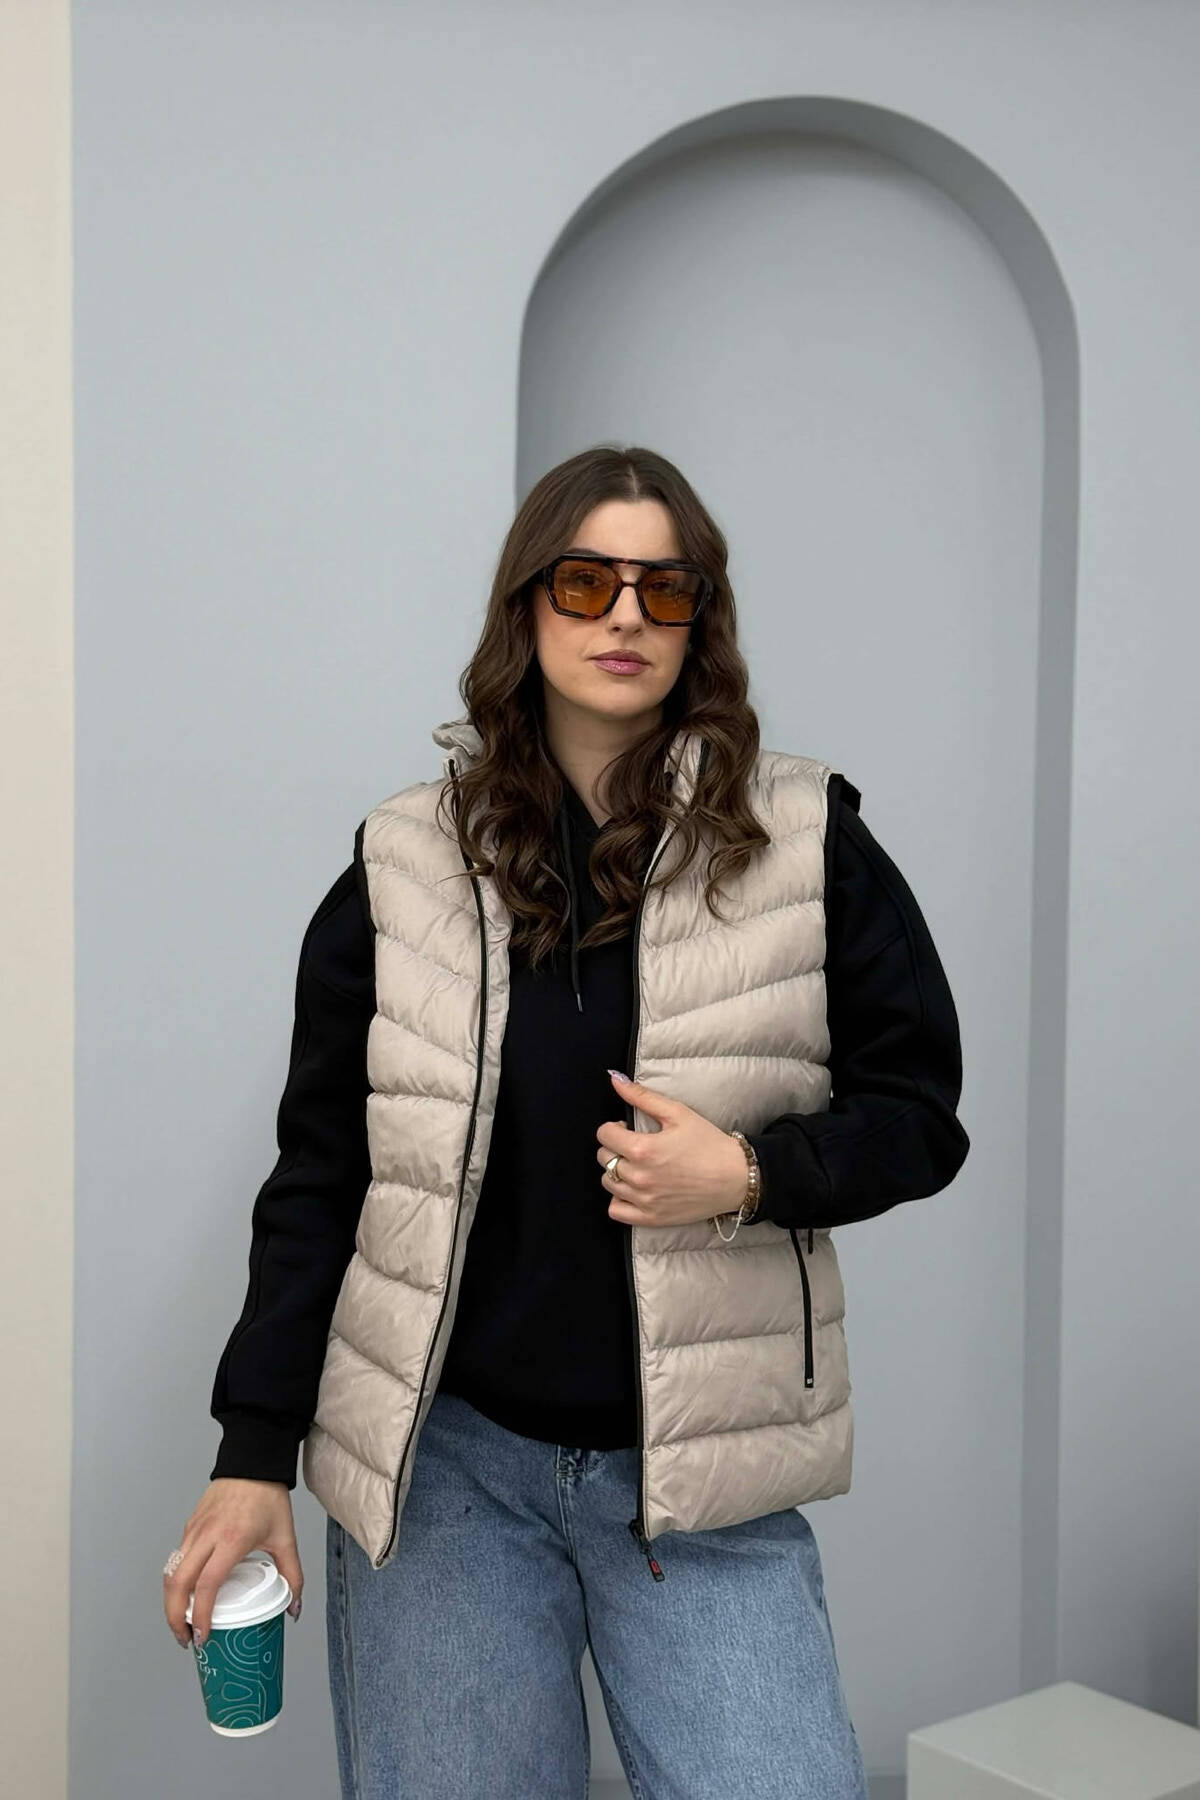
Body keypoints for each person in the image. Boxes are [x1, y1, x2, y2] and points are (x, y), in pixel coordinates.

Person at [163, 444, 969, 1797]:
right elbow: (321, 1177)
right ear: (527, 607)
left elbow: (921, 1115)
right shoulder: (402, 862)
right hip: (449, 1477)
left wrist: (751, 1173)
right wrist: (252, 1452)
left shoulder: (805, 836)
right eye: (587, 582)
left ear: (700, 620)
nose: (626, 617)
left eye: (666, 589)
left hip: (699, 1477)